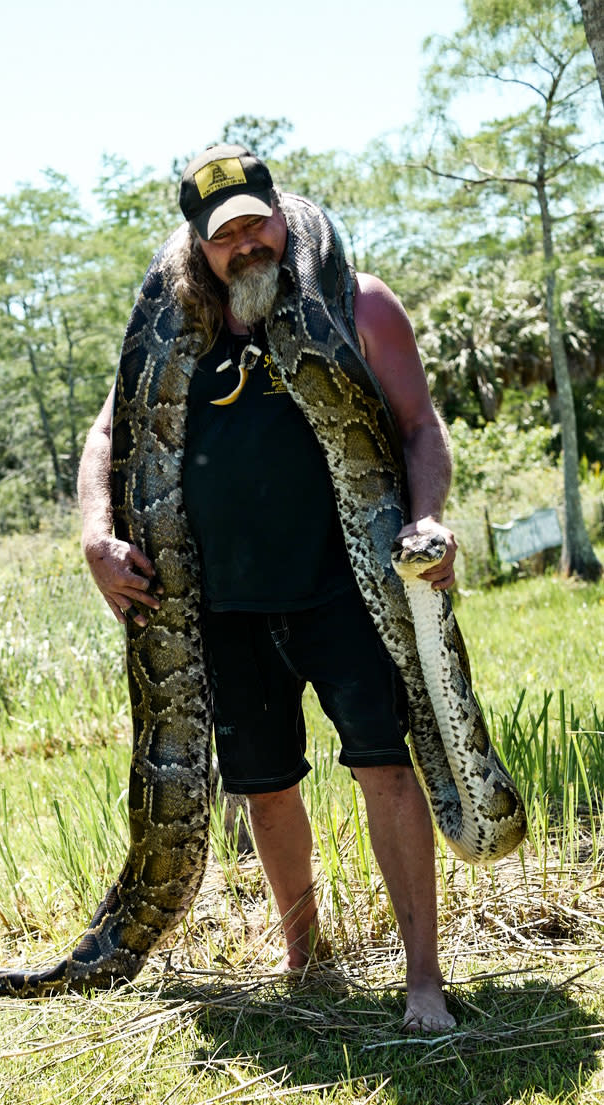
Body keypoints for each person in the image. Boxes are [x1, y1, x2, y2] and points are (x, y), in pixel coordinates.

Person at [78, 143, 458, 1033]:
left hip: (346, 586)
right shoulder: (170, 333)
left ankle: (422, 984)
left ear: (282, 219)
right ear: (197, 247)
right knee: (265, 785)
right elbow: (107, 433)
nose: (245, 244)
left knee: (384, 769)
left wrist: (428, 517)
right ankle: (303, 961)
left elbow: (418, 427)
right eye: (224, 236)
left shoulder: (356, 304)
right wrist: (96, 534)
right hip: (223, 601)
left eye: (257, 223)